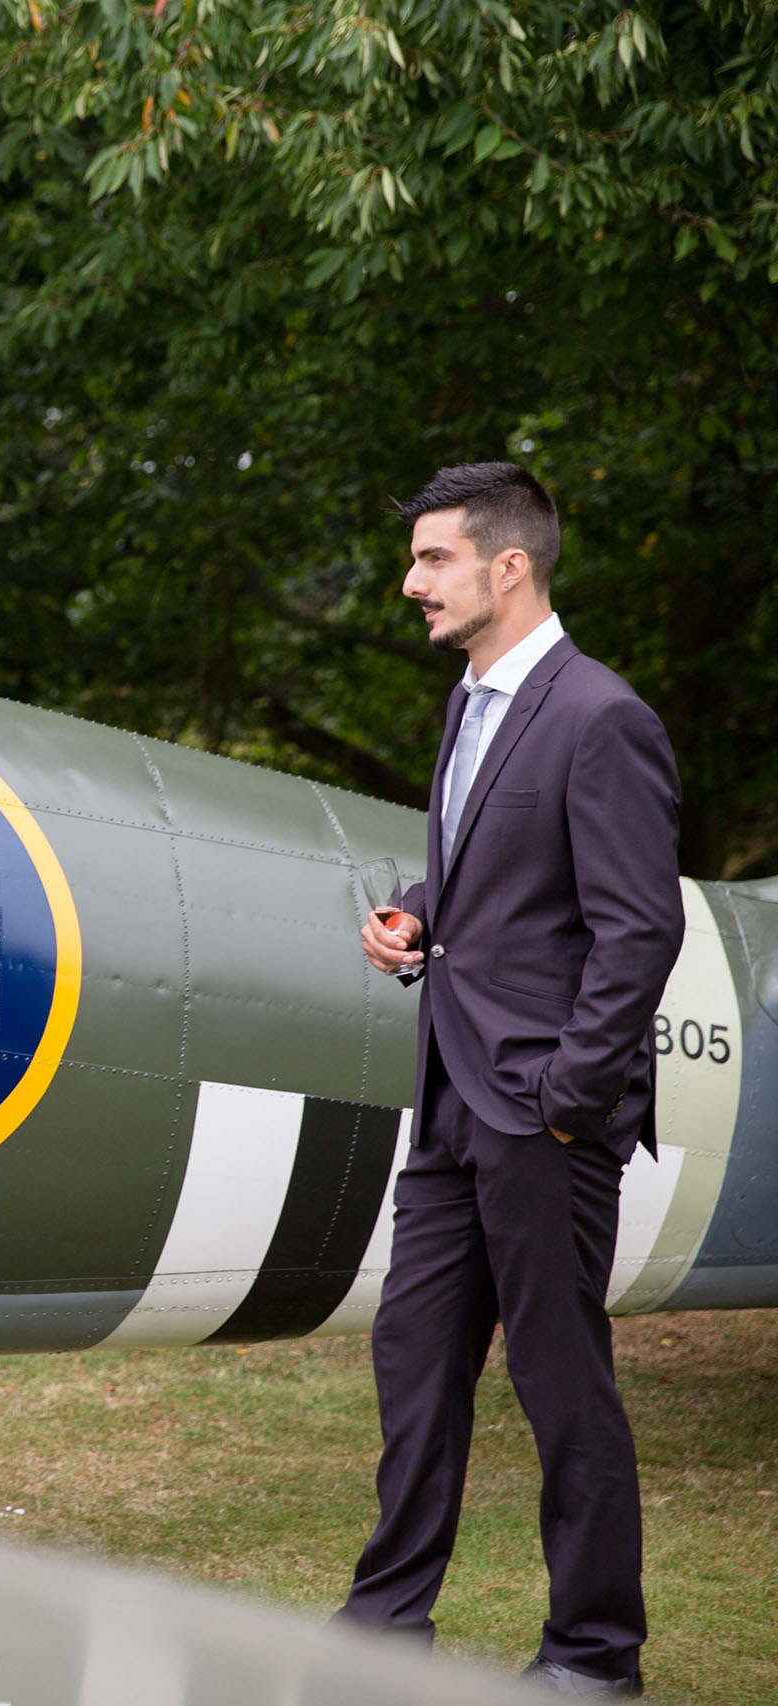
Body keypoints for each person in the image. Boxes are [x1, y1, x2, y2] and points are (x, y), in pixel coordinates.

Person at [342, 464, 682, 1695]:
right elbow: (496, 882)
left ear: (507, 567)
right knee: (413, 1362)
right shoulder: (467, 705)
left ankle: (594, 1655)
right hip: (447, 1100)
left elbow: (637, 928)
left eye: (431, 559)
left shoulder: (600, 715)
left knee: (558, 1380)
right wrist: (414, 914)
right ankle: (381, 1633)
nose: (409, 581)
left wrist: (565, 1098)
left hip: (543, 1118)